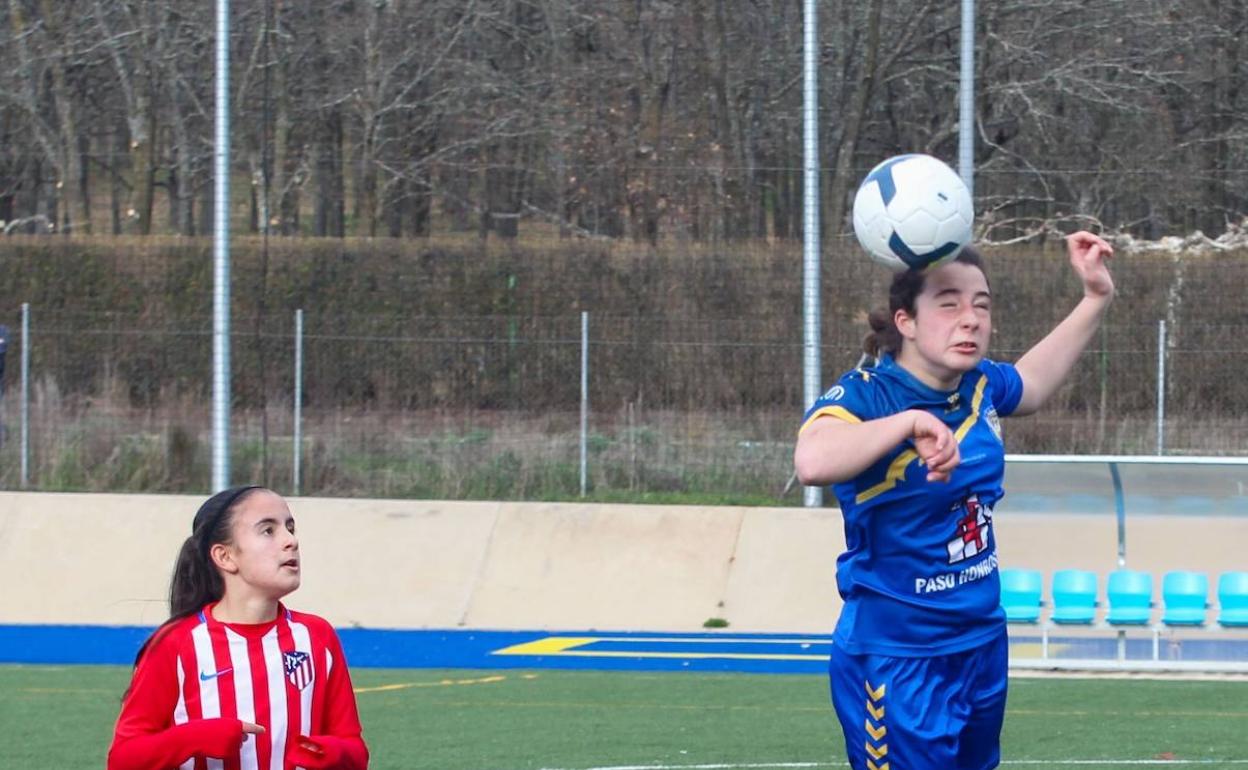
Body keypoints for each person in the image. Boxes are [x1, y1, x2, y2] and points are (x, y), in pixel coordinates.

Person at [793, 232, 1114, 770]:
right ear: (906, 322)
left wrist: (1095, 297)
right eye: (949, 306)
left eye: (981, 306)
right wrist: (909, 423)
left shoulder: (979, 384)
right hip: (898, 657)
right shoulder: (868, 394)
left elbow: (1032, 382)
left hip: (982, 640)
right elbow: (813, 460)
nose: (970, 319)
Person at [108, 486, 369, 770]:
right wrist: (193, 738)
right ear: (225, 557)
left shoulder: (317, 636)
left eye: (290, 527)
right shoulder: (176, 643)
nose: (290, 540)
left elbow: (355, 749)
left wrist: (332, 753)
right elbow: (123, 758)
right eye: (268, 530)